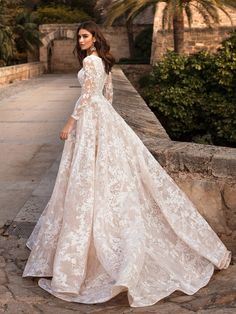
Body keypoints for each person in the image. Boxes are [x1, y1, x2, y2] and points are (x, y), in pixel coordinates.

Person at [22, 21, 232, 308]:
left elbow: (87, 96)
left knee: (90, 179)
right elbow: (108, 94)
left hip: (92, 119)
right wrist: (104, 117)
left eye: (85, 36)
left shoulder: (93, 62)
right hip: (101, 118)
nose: (81, 40)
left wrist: (71, 123)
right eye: (79, 36)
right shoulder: (99, 62)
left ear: (95, 37)